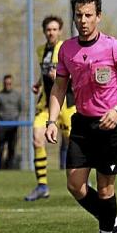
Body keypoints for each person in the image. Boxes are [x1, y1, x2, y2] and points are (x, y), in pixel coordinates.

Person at [45, 0, 117, 233]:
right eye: (79, 15)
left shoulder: (113, 46)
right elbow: (59, 87)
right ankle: (112, 221)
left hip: (110, 125)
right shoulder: (66, 49)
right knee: (75, 184)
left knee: (104, 189)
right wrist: (51, 120)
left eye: (89, 15)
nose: (83, 20)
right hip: (82, 123)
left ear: (98, 16)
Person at [25, 16, 77, 200]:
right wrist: (39, 84)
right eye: (48, 29)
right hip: (46, 104)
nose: (51, 32)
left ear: (60, 31)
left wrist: (64, 77)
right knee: (37, 139)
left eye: (54, 29)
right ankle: (42, 186)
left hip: (66, 105)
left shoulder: (67, 48)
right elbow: (44, 72)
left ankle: (83, 180)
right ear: (44, 31)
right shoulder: (41, 50)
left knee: (75, 144)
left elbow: (76, 74)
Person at [0, 74, 22, 169]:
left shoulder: (17, 95)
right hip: (2, 126)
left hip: (14, 125)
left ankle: (10, 167)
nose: (8, 85)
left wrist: (16, 119)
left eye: (9, 83)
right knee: (0, 147)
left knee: (12, 147)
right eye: (6, 83)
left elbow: (20, 108)